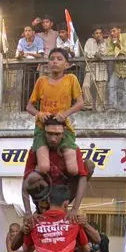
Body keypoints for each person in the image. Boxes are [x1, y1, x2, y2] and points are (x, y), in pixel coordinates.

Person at [26, 49, 84, 177]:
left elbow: (80, 103)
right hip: (42, 128)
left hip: (63, 127)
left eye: (59, 59)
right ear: (48, 63)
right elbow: (29, 107)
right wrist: (39, 114)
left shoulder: (71, 79)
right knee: (44, 167)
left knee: (73, 170)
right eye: (52, 59)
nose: (55, 62)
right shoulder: (41, 81)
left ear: (67, 65)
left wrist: (65, 114)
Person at [105, 25, 126, 109]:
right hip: (118, 68)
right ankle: (113, 107)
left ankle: (125, 110)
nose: (112, 33)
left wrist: (116, 44)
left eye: (114, 31)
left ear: (119, 30)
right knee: (111, 85)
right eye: (111, 31)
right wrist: (118, 52)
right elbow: (108, 53)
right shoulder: (109, 39)